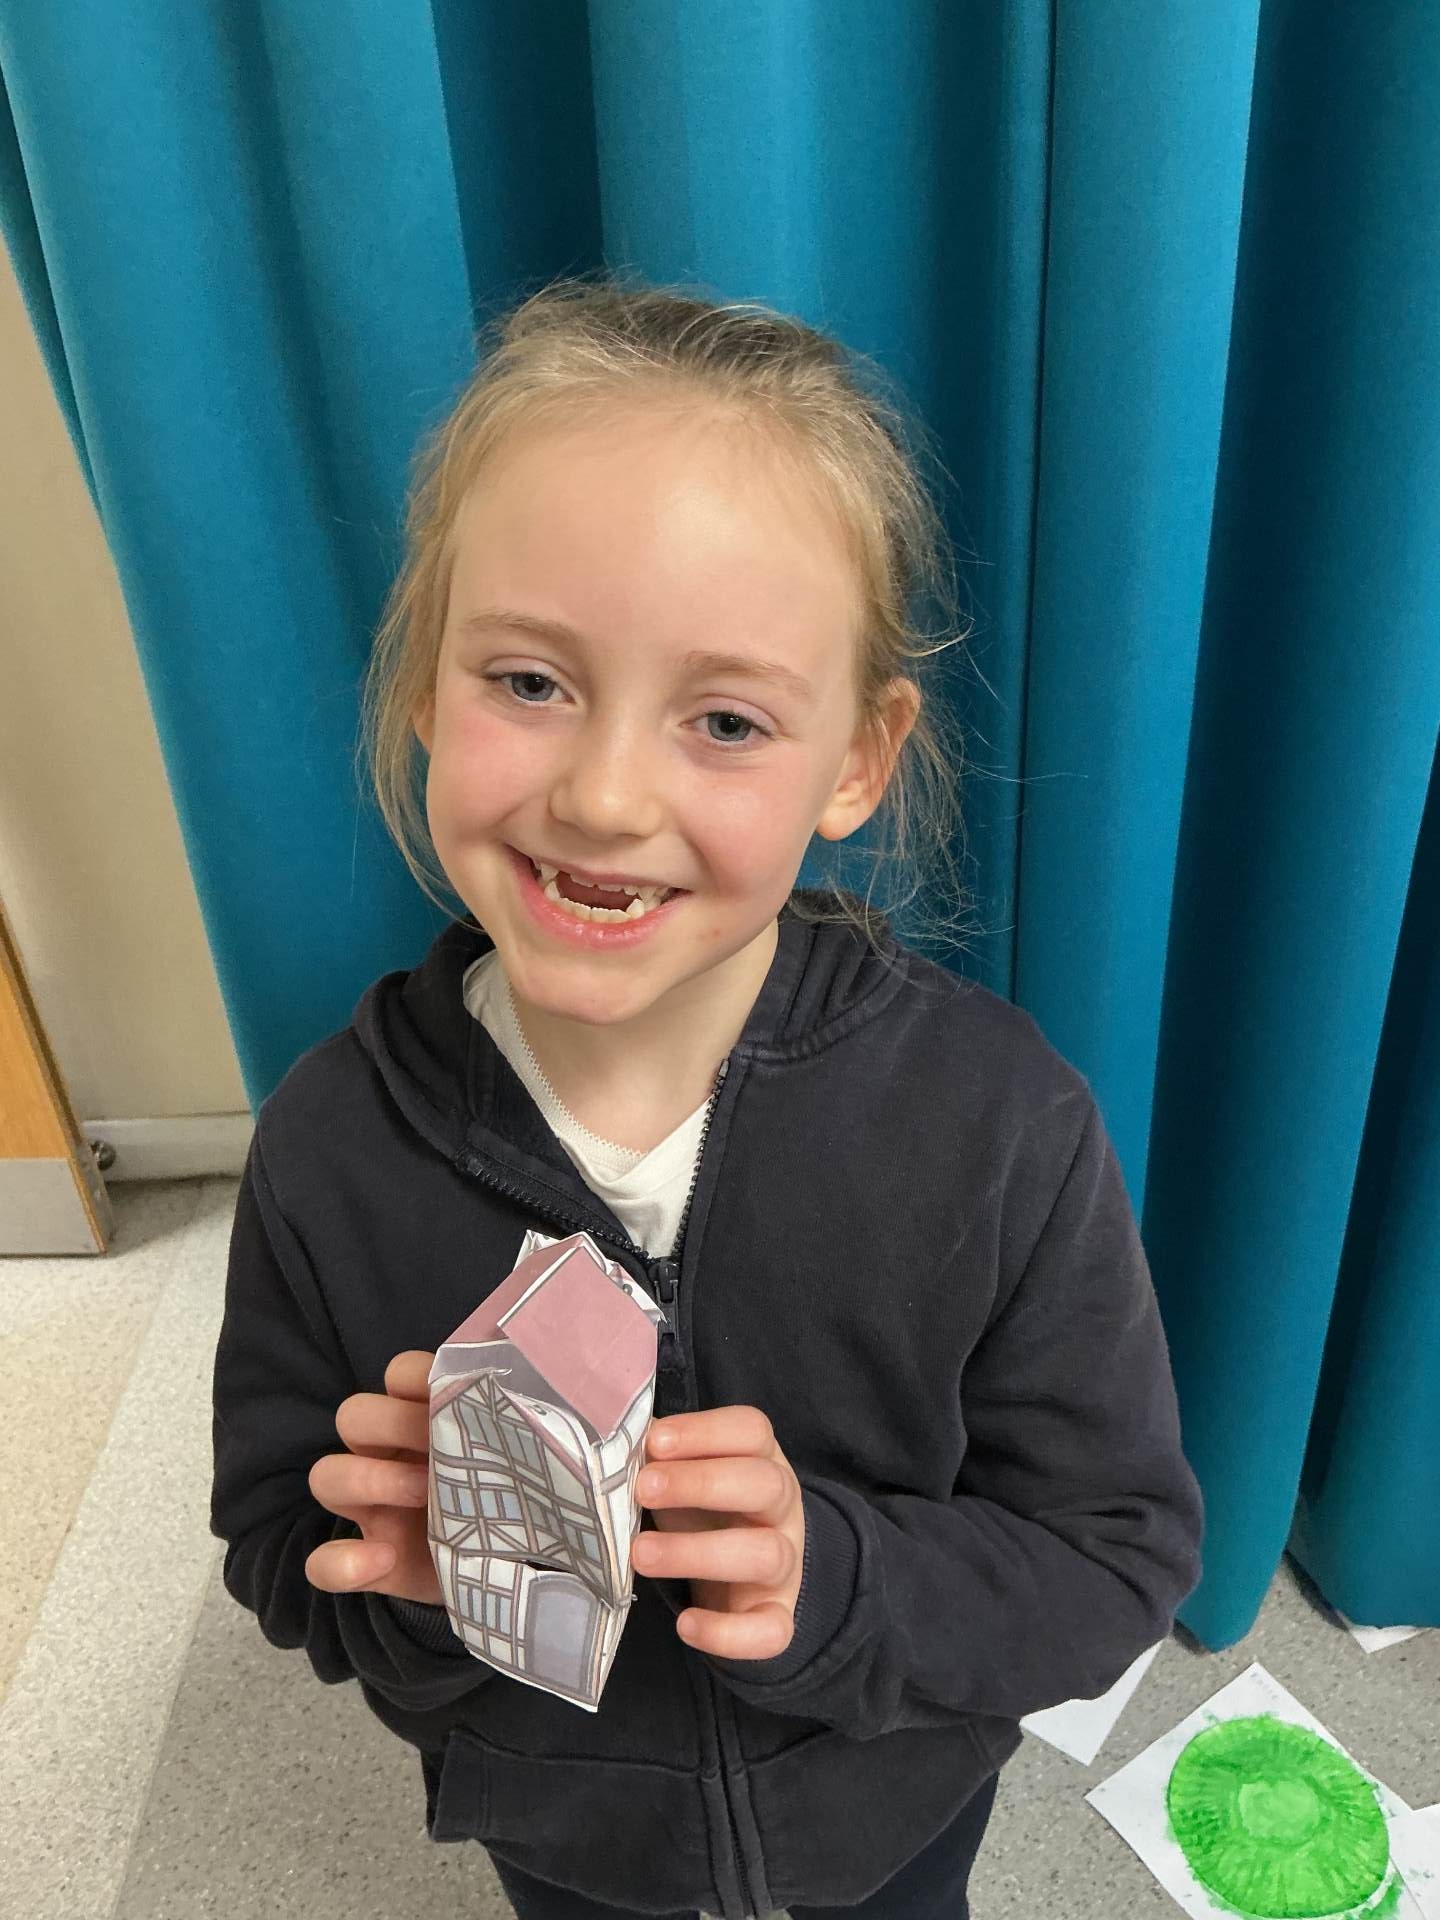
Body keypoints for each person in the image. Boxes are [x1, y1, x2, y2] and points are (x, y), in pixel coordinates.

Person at [210, 272, 1204, 1920]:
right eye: (529, 682)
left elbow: (1113, 1555)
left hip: (888, 1817)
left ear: (857, 761)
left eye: (726, 719)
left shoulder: (998, 1129)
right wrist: (402, 1591)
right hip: (566, 1842)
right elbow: (270, 1533)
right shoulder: (331, 1146)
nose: (606, 797)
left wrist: (841, 1577)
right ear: (423, 682)